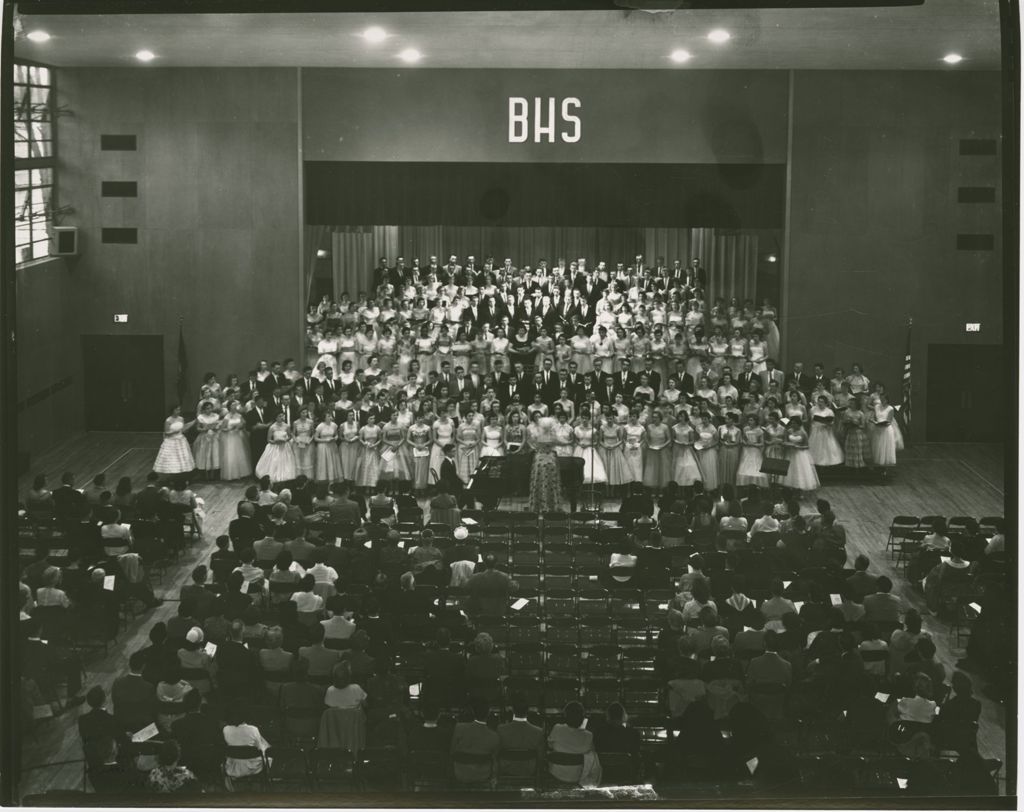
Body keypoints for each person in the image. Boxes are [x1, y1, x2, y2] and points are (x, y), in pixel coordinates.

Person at [547, 702, 602, 787]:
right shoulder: (589, 735)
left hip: (556, 776)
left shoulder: (557, 728)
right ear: (582, 718)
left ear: (565, 716)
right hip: (578, 778)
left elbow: (550, 745)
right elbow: (591, 755)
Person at [450, 698, 500, 784]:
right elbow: (495, 761)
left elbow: (452, 752)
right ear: (488, 714)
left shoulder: (459, 728)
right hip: (483, 775)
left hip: (460, 773)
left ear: (473, 712)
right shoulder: (494, 736)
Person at [497, 692, 545, 777]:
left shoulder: (501, 729)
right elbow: (540, 758)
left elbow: (496, 753)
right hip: (529, 771)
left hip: (506, 770)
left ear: (513, 710)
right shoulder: (538, 732)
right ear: (527, 711)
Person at [528, 416, 564, 513]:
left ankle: (539, 506)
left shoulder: (537, 435)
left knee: (541, 481)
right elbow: (560, 443)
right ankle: (551, 505)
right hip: (548, 460)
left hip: (540, 459)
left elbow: (532, 443)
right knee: (550, 482)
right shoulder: (552, 436)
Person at [153, 405, 196, 475]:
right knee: (172, 459)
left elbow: (183, 429)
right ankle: (172, 474)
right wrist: (174, 432)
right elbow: (166, 432)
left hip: (181, 440)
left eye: (179, 410)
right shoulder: (168, 420)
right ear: (173, 410)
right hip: (171, 441)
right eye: (177, 410)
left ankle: (180, 473)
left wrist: (192, 424)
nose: (179, 411)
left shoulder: (181, 419)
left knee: (182, 457)